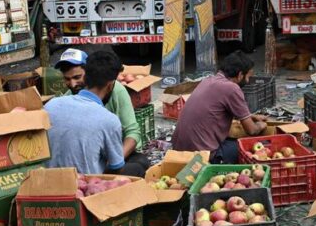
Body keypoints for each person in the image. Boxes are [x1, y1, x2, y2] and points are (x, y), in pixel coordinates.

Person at [54, 48, 150, 176]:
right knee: (135, 169)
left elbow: (132, 131)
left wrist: (116, 158)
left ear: (88, 73)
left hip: (108, 154)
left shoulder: (116, 92)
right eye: (67, 79)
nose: (72, 84)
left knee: (140, 161)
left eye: (77, 77)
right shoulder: (67, 99)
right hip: (87, 160)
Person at [172, 51, 267, 163]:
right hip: (203, 156)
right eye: (248, 77)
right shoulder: (232, 88)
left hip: (178, 151)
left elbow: (217, 110)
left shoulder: (208, 81)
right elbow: (252, 130)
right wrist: (261, 126)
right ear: (240, 75)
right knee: (256, 145)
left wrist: (251, 116)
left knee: (231, 140)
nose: (247, 81)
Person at [44, 50, 129, 175]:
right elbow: (116, 167)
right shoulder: (109, 120)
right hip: (84, 184)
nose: (72, 83)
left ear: (85, 77)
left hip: (47, 180)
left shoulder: (50, 105)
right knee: (137, 166)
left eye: (76, 77)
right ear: (110, 85)